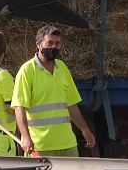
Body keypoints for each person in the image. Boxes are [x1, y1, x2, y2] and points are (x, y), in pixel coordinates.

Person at [12, 24, 98, 158]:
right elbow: (19, 108)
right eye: (49, 43)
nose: (54, 47)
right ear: (39, 45)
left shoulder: (62, 68)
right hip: (39, 147)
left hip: (67, 145)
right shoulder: (27, 71)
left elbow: (71, 105)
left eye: (57, 43)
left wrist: (85, 129)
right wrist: (25, 137)